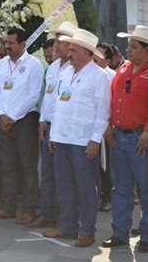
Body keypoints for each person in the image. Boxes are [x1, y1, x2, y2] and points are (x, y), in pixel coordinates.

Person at [43, 29, 110, 247]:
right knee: (64, 185)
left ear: (86, 52)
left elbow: (103, 111)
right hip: (61, 139)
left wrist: (95, 140)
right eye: (69, 49)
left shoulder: (98, 76)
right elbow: (56, 107)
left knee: (85, 188)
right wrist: (53, 134)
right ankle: (67, 226)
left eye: (73, 50)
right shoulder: (64, 73)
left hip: (83, 142)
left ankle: (87, 230)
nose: (68, 53)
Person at [102, 25, 148, 253]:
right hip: (119, 136)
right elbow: (113, 98)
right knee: (120, 188)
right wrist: (109, 124)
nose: (128, 50)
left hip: (140, 138)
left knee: (147, 189)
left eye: (133, 46)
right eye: (128, 46)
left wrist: (147, 132)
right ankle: (120, 233)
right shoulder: (123, 69)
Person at [0, 28, 43, 224]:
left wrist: (12, 117)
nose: (7, 47)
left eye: (11, 43)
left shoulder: (34, 64)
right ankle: (8, 207)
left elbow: (33, 95)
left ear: (23, 44)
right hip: (3, 122)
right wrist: (1, 115)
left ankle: (31, 209)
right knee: (7, 166)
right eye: (6, 43)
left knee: (28, 167)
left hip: (24, 122)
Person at [30, 22, 77, 228]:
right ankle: (47, 212)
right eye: (56, 40)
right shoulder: (52, 68)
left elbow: (66, 104)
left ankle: (64, 217)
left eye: (61, 41)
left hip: (63, 130)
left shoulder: (74, 69)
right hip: (47, 127)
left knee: (64, 175)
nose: (56, 45)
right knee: (47, 173)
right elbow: (47, 98)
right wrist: (41, 120)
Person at [93, 43, 116, 212]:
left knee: (106, 164)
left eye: (98, 56)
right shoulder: (87, 74)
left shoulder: (113, 76)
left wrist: (108, 125)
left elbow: (112, 104)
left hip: (107, 127)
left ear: (107, 61)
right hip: (90, 126)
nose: (94, 58)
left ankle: (106, 197)